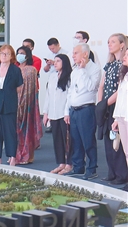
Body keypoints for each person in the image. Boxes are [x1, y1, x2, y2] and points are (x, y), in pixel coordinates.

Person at [64, 43, 101, 179]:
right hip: (74, 110)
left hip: (86, 109)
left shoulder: (95, 69)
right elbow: (70, 92)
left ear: (85, 54)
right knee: (76, 141)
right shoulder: (74, 70)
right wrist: (66, 111)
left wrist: (83, 70)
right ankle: (78, 167)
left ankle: (92, 169)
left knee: (88, 140)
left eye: (76, 53)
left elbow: (91, 87)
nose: (73, 56)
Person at [98, 33, 128, 185]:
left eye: (113, 42)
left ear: (122, 44)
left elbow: (120, 90)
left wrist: (106, 103)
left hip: (117, 105)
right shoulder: (109, 64)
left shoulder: (123, 64)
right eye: (108, 42)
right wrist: (100, 104)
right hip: (107, 106)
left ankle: (122, 174)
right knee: (108, 140)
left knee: (119, 141)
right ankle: (112, 171)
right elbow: (101, 86)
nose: (109, 44)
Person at [0, 45, 24, 166]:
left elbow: (19, 87)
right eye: (2, 53)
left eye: (7, 54)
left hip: (9, 105)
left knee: (10, 132)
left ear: (11, 56)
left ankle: (12, 157)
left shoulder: (15, 70)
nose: (4, 56)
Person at [43, 55, 73, 175]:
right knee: (57, 139)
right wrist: (45, 112)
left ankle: (69, 163)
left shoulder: (70, 76)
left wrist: (67, 112)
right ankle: (61, 163)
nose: (55, 63)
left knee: (68, 139)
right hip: (53, 113)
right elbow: (48, 96)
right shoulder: (52, 76)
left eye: (58, 61)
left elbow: (69, 96)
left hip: (64, 113)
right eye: (54, 61)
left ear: (64, 62)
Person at [15, 45, 43, 164]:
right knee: (15, 132)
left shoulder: (32, 70)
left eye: (22, 53)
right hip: (14, 103)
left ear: (27, 56)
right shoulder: (14, 69)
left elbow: (32, 89)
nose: (19, 55)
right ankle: (16, 155)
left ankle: (27, 156)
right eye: (18, 53)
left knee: (27, 130)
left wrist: (25, 101)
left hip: (27, 104)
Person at [112, 49, 128, 191]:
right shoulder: (124, 74)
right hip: (122, 116)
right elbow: (120, 99)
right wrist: (116, 118)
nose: (124, 57)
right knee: (126, 151)